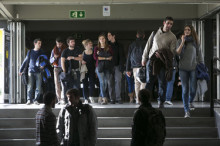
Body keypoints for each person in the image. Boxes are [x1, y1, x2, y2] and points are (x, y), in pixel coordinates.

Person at [142, 16, 177, 108]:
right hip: (152, 61)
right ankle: (145, 102)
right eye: (168, 23)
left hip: (163, 62)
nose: (169, 25)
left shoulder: (172, 37)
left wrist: (161, 54)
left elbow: (172, 52)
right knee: (149, 81)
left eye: (171, 24)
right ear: (164, 23)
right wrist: (144, 58)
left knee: (162, 82)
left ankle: (161, 101)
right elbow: (148, 45)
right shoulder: (154, 33)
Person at [176, 25, 204, 118]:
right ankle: (186, 111)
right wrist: (183, 41)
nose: (187, 31)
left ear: (191, 31)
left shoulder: (195, 42)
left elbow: (199, 54)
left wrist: (202, 64)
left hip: (193, 68)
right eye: (185, 30)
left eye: (189, 30)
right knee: (185, 90)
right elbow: (177, 53)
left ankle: (190, 101)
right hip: (183, 68)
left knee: (193, 89)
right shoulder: (180, 41)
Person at [19, 38, 44, 105]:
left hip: (38, 71)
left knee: (38, 87)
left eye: (40, 43)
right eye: (39, 43)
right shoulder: (30, 52)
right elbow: (25, 61)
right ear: (35, 44)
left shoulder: (41, 52)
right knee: (30, 86)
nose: (40, 45)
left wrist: (43, 66)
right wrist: (21, 70)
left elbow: (45, 60)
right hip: (31, 71)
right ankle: (29, 100)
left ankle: (36, 100)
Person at [93, 34, 115, 105]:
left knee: (106, 83)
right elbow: (96, 57)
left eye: (103, 38)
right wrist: (105, 57)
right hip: (99, 67)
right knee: (102, 82)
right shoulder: (96, 48)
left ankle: (100, 96)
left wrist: (101, 55)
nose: (102, 40)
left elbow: (111, 56)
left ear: (105, 39)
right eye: (100, 39)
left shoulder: (109, 47)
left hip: (108, 67)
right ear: (99, 40)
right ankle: (104, 98)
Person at [126, 30, 147, 104]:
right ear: (144, 36)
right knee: (143, 82)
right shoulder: (146, 43)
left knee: (136, 83)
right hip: (143, 66)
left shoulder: (132, 44)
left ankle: (138, 99)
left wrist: (128, 69)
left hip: (134, 66)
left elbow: (128, 57)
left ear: (136, 35)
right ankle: (142, 99)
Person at [60, 36, 82, 104]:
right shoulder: (65, 51)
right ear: (68, 43)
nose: (73, 43)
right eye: (71, 42)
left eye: (74, 41)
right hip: (68, 72)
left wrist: (72, 57)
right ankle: (67, 101)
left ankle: (76, 101)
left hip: (76, 71)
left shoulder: (77, 49)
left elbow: (81, 58)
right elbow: (62, 61)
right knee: (68, 87)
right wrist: (64, 71)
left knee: (76, 87)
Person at [108, 31, 125, 104]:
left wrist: (122, 67)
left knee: (118, 81)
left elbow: (122, 56)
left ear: (113, 36)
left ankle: (118, 98)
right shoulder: (107, 45)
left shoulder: (119, 45)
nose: (108, 37)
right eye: (107, 35)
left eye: (109, 35)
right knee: (110, 82)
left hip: (118, 66)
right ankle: (112, 98)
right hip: (109, 67)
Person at [50, 37, 66, 104]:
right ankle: (59, 99)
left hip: (63, 68)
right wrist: (54, 57)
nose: (58, 45)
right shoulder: (54, 50)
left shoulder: (65, 49)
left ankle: (63, 98)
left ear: (62, 43)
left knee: (63, 83)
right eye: (57, 44)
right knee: (57, 84)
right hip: (56, 68)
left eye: (59, 44)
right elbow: (50, 61)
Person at [81, 39, 96, 104]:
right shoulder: (83, 53)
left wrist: (96, 71)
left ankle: (91, 97)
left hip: (92, 70)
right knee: (85, 84)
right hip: (85, 70)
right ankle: (85, 98)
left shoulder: (93, 52)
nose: (91, 45)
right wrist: (81, 61)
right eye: (90, 43)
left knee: (92, 83)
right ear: (86, 45)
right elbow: (79, 60)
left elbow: (95, 62)